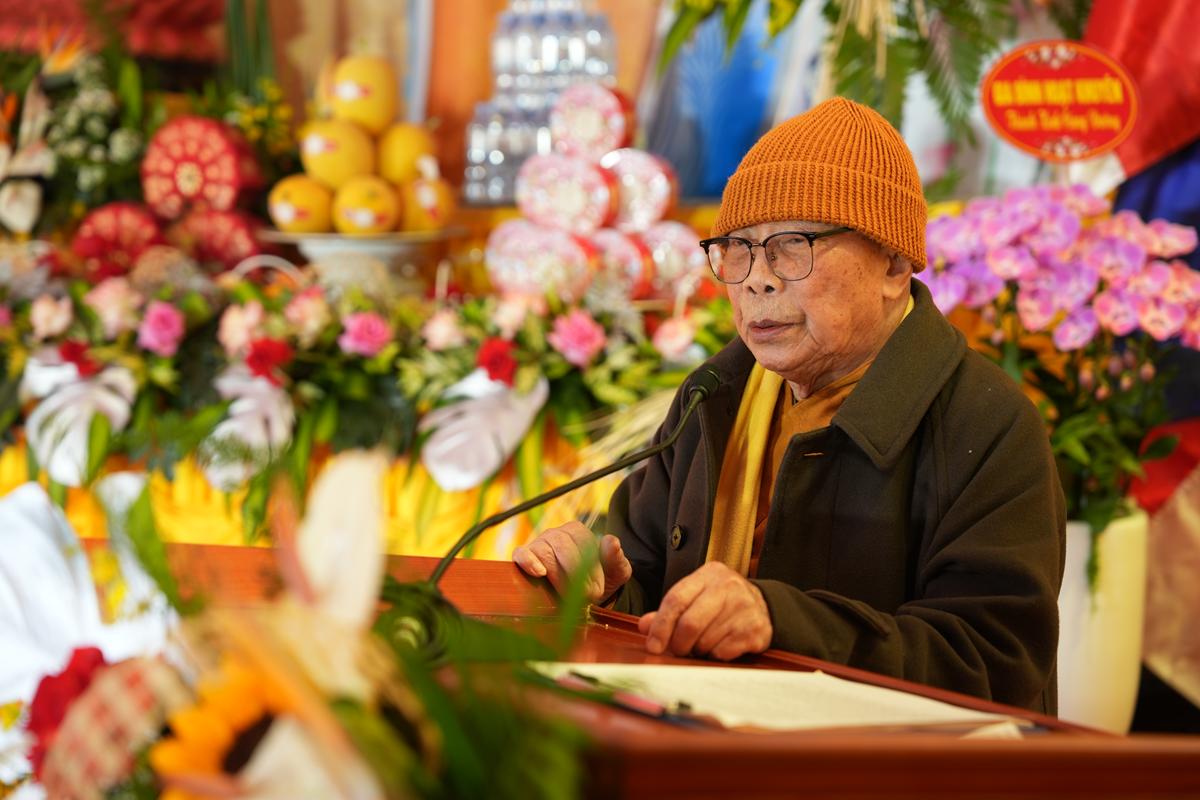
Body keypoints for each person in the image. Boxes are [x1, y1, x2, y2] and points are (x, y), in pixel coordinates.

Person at [513, 97, 1065, 714]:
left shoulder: (985, 422)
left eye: (791, 246)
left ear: (893, 263)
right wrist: (606, 585)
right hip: (701, 739)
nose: (757, 278)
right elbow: (643, 576)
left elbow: (992, 661)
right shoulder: (714, 397)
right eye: (738, 248)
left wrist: (781, 621)